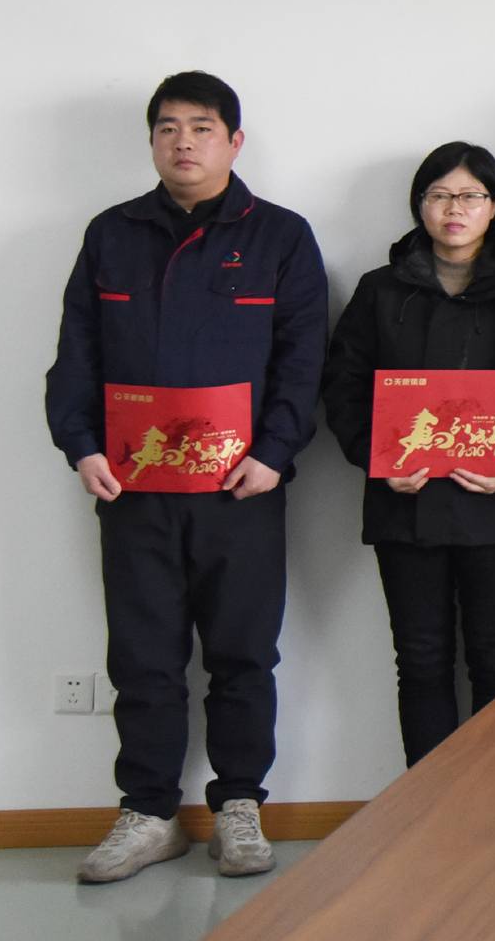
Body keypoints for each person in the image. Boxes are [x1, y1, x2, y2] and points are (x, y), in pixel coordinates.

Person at [44, 71, 326, 882]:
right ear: (152, 141)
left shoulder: (280, 237)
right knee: (142, 655)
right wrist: (82, 447)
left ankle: (239, 806)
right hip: (133, 489)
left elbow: (302, 359)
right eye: (168, 128)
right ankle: (148, 813)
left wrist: (274, 452)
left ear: (235, 141)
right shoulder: (112, 234)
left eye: (201, 128)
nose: (183, 143)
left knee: (243, 653)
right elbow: (77, 353)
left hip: (241, 490)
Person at [322, 142, 495, 766]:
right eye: (439, 195)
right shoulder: (380, 290)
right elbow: (342, 386)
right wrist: (377, 459)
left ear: (494, 206)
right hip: (404, 508)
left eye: (470, 196)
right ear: (420, 205)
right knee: (419, 660)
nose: (454, 209)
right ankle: (425, 805)